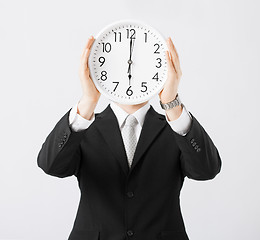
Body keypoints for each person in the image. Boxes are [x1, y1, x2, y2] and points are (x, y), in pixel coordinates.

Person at [37, 35, 222, 240]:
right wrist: (88, 101)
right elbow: (50, 165)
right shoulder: (84, 127)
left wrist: (172, 103)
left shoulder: (175, 127)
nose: (130, 67)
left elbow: (207, 170)